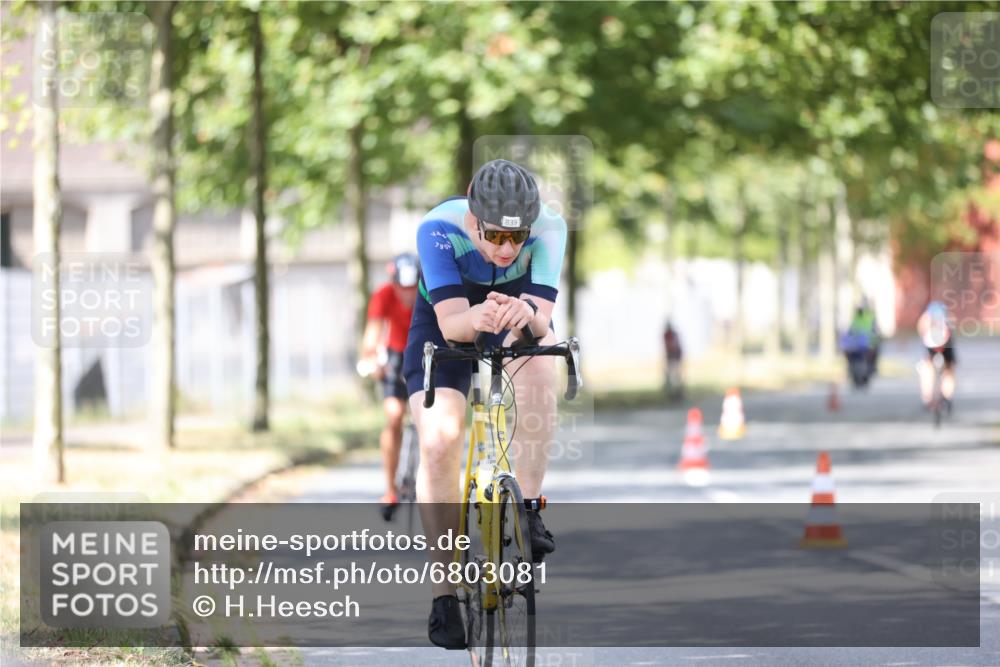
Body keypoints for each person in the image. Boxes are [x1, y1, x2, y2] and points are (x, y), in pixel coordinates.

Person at [402, 159, 567, 650]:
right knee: (440, 439)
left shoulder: (552, 228)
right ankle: (444, 593)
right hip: (447, 317)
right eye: (494, 236)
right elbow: (454, 325)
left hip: (514, 311)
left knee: (540, 364)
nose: (506, 249)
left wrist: (530, 316)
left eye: (518, 239)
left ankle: (530, 509)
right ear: (473, 217)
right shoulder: (437, 229)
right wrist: (481, 314)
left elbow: (543, 321)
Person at [360, 253, 419, 521]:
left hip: (426, 353)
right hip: (395, 355)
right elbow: (372, 333)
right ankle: (390, 488)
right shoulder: (383, 294)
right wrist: (372, 358)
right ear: (393, 282)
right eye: (402, 288)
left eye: (412, 287)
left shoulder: (429, 291)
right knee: (394, 416)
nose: (407, 294)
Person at [916, 299, 957, 409]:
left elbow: (921, 330)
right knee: (949, 369)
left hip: (930, 342)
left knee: (927, 368)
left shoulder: (926, 316)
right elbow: (952, 330)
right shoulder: (946, 315)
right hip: (946, 342)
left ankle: (928, 398)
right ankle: (947, 397)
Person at [663, 321, 683, 400]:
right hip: (671, 357)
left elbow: (673, 346)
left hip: (674, 356)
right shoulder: (666, 335)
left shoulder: (672, 335)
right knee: (670, 375)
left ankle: (677, 393)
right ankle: (672, 393)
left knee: (675, 376)